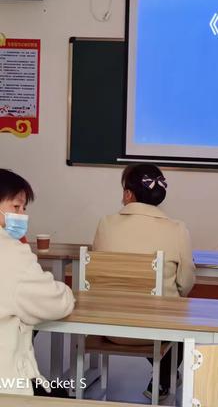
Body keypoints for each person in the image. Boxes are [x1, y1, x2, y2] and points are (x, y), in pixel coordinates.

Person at [93, 163, 195, 399]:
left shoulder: (105, 224)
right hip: (156, 331)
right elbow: (186, 283)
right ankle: (164, 379)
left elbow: (98, 274)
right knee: (181, 311)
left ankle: (164, 378)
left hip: (109, 327)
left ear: (128, 194)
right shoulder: (177, 229)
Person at [0, 169, 75, 396]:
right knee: (62, 393)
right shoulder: (11, 253)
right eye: (16, 207)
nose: (22, 215)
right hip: (7, 385)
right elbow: (56, 302)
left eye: (24, 208)